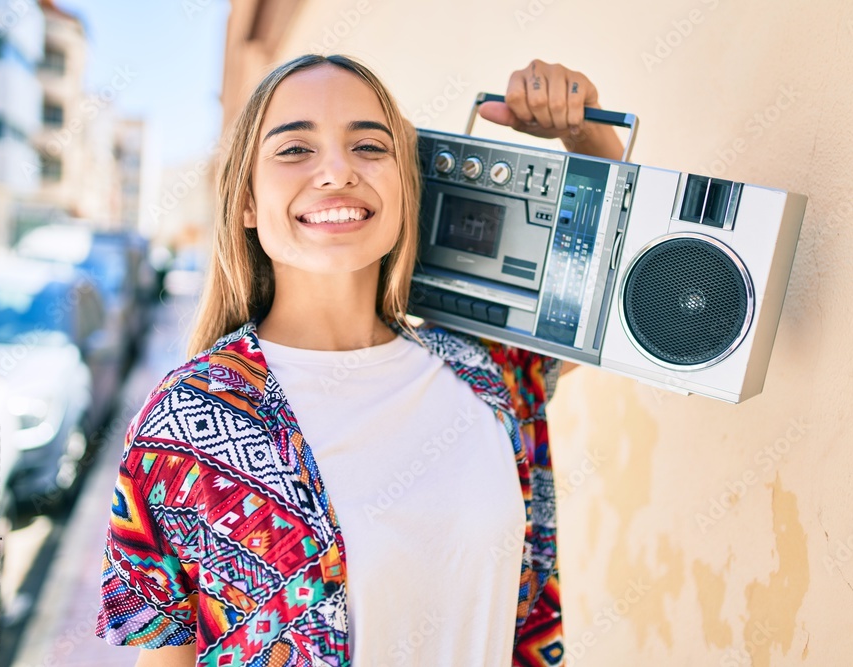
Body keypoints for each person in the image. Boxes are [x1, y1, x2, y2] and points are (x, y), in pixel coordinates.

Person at [94, 54, 622, 667]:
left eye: (370, 146)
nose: (337, 171)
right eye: (294, 150)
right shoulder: (184, 422)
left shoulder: (485, 374)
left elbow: (608, 299)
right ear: (244, 202)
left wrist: (584, 134)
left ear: (406, 187)